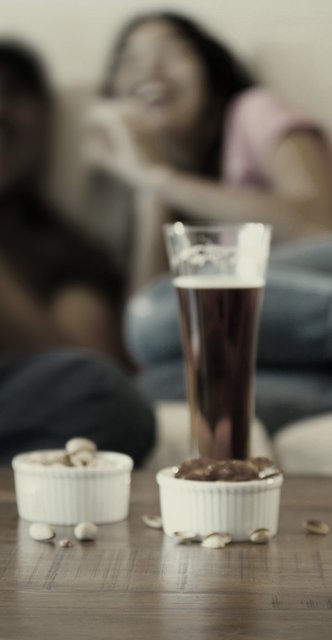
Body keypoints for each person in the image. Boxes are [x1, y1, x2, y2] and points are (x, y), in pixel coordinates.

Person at [84, 13, 332, 432]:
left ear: (211, 74)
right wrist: (150, 187)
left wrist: (160, 177)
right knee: (156, 385)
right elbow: (150, 337)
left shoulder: (252, 111)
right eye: (130, 60)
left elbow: (315, 223)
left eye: (170, 51)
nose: (149, 70)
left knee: (160, 310)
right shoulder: (169, 185)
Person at [0, 41, 155, 464]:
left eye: (12, 93)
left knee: (104, 397)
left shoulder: (66, 250)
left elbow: (102, 375)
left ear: (46, 121)